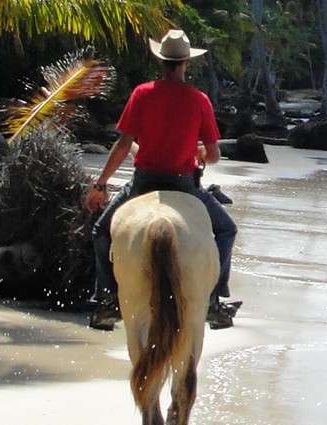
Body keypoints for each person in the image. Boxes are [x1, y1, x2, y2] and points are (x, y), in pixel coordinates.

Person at [86, 29, 240, 331]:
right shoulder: (199, 100)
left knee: (100, 232)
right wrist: (197, 152)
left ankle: (107, 301)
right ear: (186, 62)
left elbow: (122, 145)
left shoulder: (142, 93)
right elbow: (213, 155)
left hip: (144, 182)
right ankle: (213, 301)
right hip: (184, 184)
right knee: (226, 230)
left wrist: (101, 184)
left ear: (161, 61)